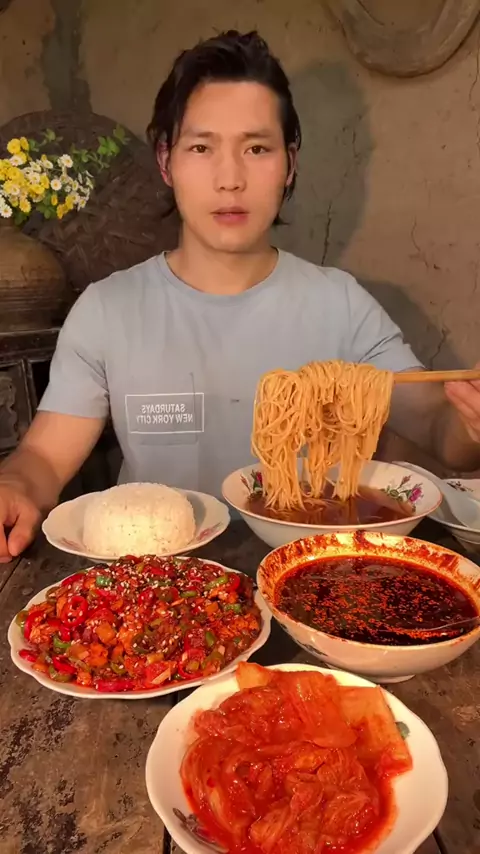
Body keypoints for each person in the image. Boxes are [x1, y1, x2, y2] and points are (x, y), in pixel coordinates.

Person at [1, 30, 480, 563]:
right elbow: (43, 458)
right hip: (161, 585)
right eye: (201, 148)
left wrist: (470, 423)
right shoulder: (106, 310)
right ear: (166, 161)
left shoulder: (340, 304)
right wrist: (14, 486)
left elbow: (437, 426)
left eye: (257, 148)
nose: (229, 179)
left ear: (289, 164)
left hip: (313, 575)